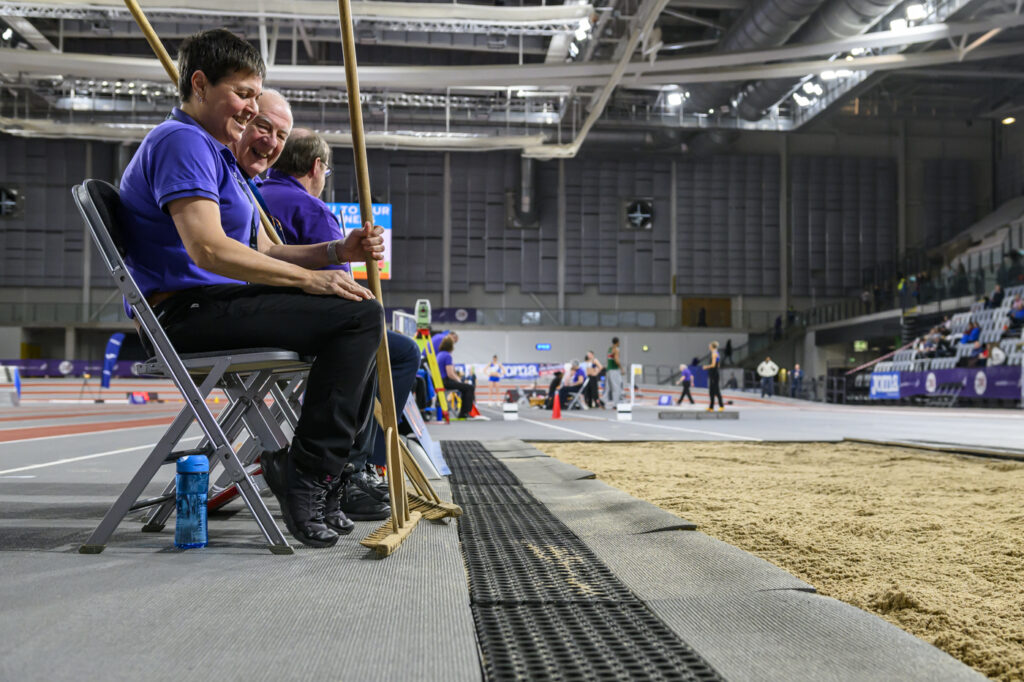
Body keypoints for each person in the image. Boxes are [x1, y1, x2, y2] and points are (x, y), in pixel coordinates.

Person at [117, 29, 384, 548]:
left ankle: (324, 472)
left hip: (210, 303)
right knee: (355, 316)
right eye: (242, 94)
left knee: (357, 305)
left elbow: (265, 252)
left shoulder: (216, 154)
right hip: (184, 315)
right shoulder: (180, 142)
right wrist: (310, 280)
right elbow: (208, 250)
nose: (250, 108)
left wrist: (337, 252)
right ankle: (310, 471)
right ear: (200, 84)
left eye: (255, 96)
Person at [255, 128, 424, 522]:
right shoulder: (312, 209)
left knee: (366, 336)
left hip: (260, 317)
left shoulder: (255, 196)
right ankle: (356, 467)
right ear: (316, 167)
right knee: (393, 348)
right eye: (326, 173)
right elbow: (345, 292)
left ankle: (350, 463)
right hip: (303, 327)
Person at [436, 336, 478, 419]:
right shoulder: (447, 356)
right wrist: (459, 380)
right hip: (446, 381)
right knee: (469, 387)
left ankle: (464, 412)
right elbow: (450, 374)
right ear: (450, 346)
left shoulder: (439, 354)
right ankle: (464, 413)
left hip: (440, 381)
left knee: (465, 387)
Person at [703, 341, 724, 411]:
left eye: (710, 346)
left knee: (716, 390)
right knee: (711, 391)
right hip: (714, 373)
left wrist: (706, 367)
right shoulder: (716, 353)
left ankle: (721, 406)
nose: (709, 347)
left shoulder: (714, 354)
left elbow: (713, 365)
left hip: (714, 374)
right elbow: (718, 365)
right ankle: (711, 407)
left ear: (712, 346)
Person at [604, 337, 623, 407]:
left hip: (608, 369)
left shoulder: (609, 349)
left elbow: (608, 359)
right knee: (616, 387)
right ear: (617, 342)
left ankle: (603, 401)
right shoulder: (616, 349)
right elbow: (616, 359)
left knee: (608, 387)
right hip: (614, 370)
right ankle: (616, 403)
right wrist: (621, 368)